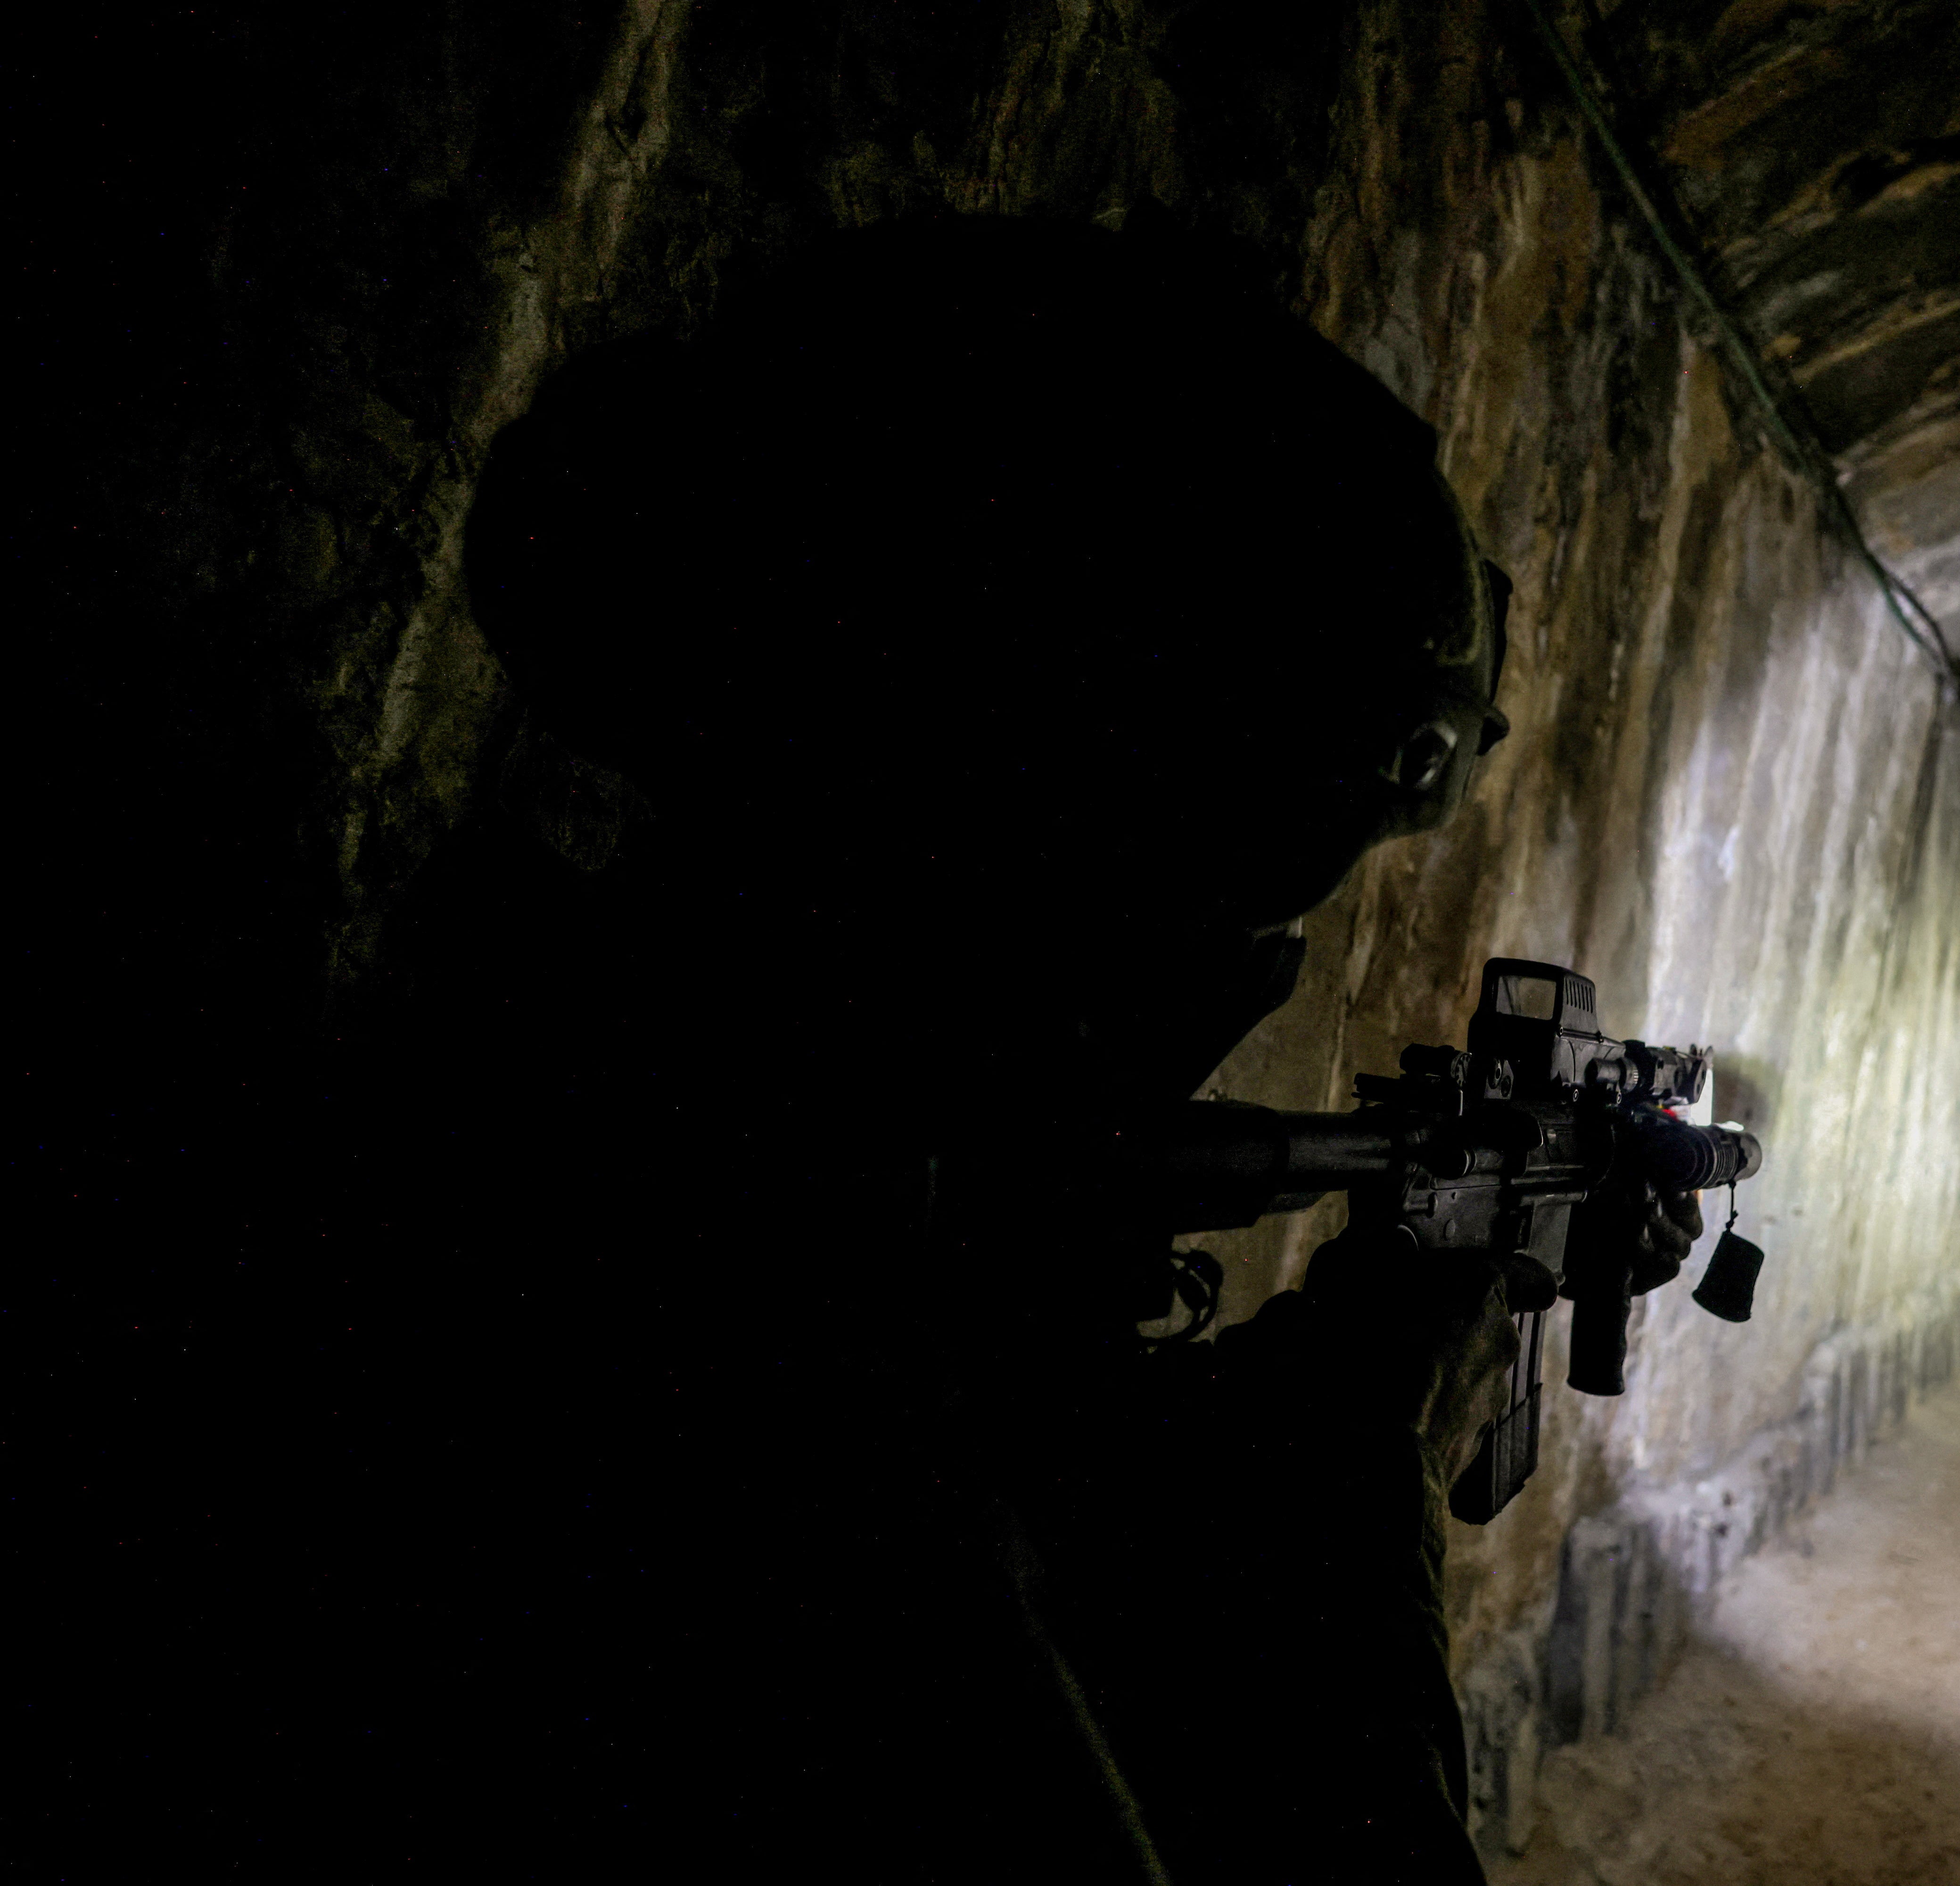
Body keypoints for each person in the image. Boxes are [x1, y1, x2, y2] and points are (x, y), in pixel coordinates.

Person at [403, 212, 1696, 1879]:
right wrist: (1358, 1446)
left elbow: (1049, 1472)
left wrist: (1351, 1360)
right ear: (1025, 817)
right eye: (1233, 882)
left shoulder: (599, 1105)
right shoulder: (709, 1366)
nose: (1235, 962)